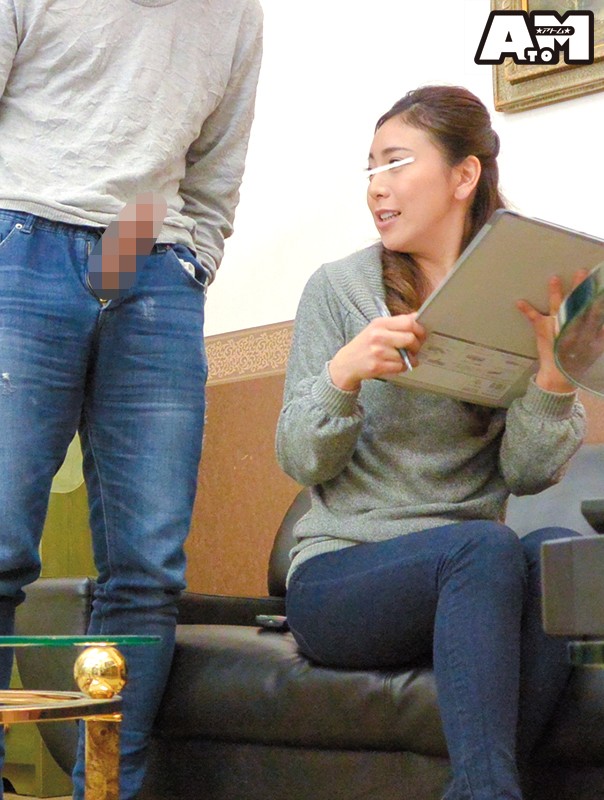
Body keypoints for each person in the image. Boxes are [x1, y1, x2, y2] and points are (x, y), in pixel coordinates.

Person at [275, 85, 586, 800]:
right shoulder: (341, 290)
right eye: (370, 169)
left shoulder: (515, 296)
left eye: (395, 163)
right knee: (486, 548)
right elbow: (298, 458)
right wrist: (343, 375)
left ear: (464, 175)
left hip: (474, 582)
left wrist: (551, 379)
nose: (376, 188)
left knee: (557, 557)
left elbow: (527, 474)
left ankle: (482, 786)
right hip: (343, 578)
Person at [0, 1, 262, 798]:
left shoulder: (235, 14)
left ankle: (108, 791)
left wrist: (191, 263)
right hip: (22, 234)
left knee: (148, 570)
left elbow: (216, 165)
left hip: (151, 256)